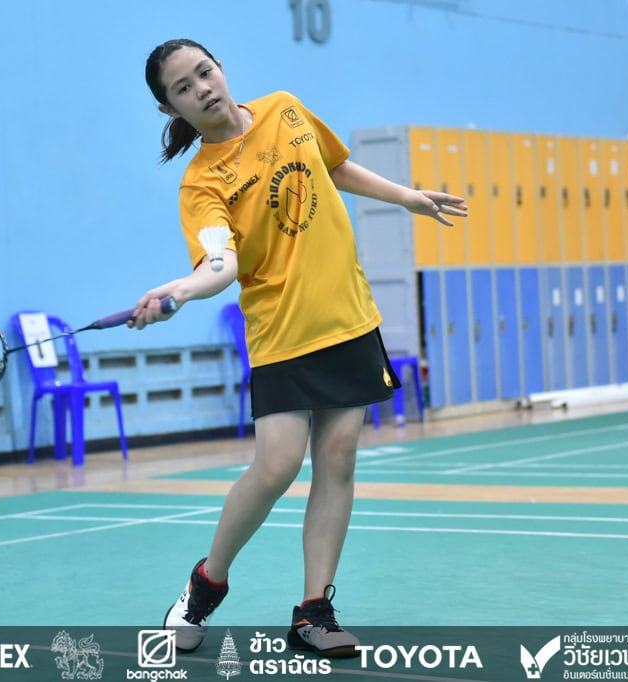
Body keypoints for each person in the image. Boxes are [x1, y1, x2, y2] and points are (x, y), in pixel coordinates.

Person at [132, 38, 467, 658]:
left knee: (338, 458)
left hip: (345, 315)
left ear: (221, 68)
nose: (202, 88)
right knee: (277, 466)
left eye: (204, 72)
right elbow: (219, 264)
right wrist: (181, 289)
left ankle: (314, 612)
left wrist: (407, 197)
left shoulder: (285, 109)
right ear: (169, 108)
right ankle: (206, 584)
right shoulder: (201, 182)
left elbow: (333, 167)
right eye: (183, 88)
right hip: (281, 331)